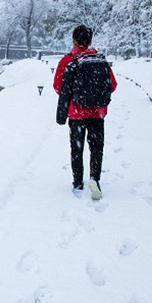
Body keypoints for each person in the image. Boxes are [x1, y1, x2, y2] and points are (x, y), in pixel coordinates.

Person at [54, 24, 117, 200]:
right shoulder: (99, 59)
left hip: (76, 114)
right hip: (97, 113)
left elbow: (58, 86)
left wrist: (77, 95)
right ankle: (94, 179)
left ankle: (77, 182)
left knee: (77, 148)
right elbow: (112, 85)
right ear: (89, 41)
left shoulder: (67, 61)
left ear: (74, 40)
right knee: (96, 148)